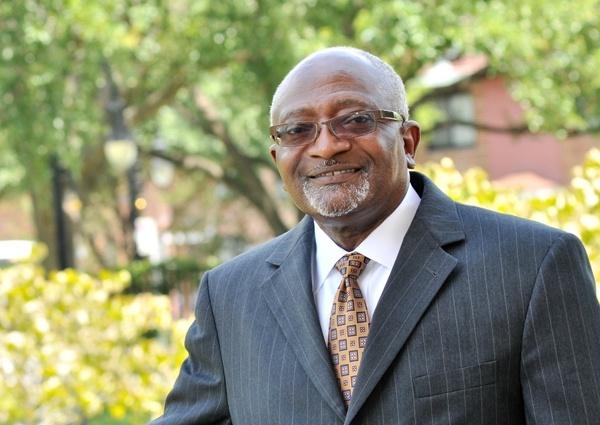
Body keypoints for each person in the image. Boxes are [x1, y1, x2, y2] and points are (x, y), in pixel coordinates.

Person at [152, 47, 600, 424]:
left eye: (355, 119)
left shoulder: (533, 266)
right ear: (277, 156)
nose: (326, 146)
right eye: (298, 130)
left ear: (407, 142)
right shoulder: (230, 294)